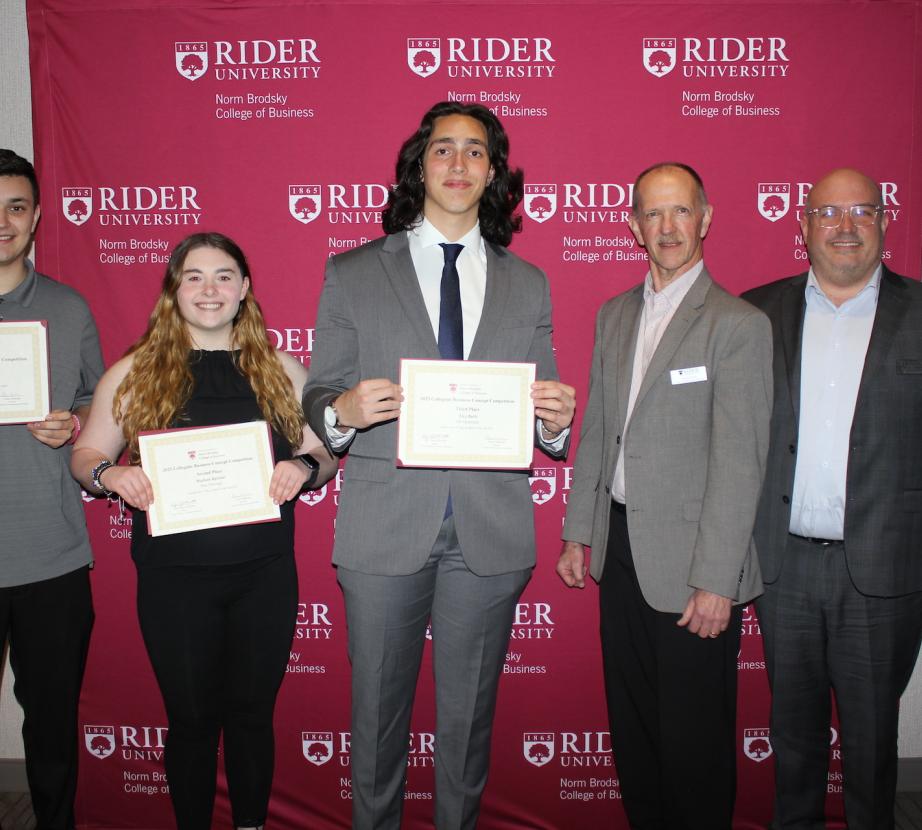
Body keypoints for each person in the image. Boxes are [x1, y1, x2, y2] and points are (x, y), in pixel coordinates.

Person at [302, 101, 575, 829]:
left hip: (489, 532)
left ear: (494, 173)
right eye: (444, 149)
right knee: (377, 725)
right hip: (385, 528)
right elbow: (320, 391)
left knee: (466, 732)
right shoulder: (355, 271)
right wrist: (342, 413)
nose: (459, 164)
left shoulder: (529, 283)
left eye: (476, 152)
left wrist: (557, 422)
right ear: (419, 165)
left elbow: (543, 407)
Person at [71, 232, 336, 830]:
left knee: (250, 716)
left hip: (263, 577)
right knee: (189, 719)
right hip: (174, 582)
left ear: (244, 290)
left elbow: (326, 454)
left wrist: (302, 465)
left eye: (223, 276)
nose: (209, 289)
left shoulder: (280, 368)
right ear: (174, 289)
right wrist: (112, 473)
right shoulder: (135, 372)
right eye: (194, 276)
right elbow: (84, 456)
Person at [557, 162, 772, 830]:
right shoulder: (615, 314)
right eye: (654, 214)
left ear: (705, 219)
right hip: (620, 551)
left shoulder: (737, 324)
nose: (668, 227)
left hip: (693, 567)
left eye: (681, 212)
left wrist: (717, 581)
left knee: (695, 745)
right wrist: (578, 530)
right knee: (636, 733)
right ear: (633, 227)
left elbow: (742, 463)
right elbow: (597, 429)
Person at [742, 168, 922, 830]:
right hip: (784, 567)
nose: (844, 227)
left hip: (884, 572)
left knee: (873, 747)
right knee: (793, 740)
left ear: (883, 220)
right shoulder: (756, 312)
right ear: (803, 225)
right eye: (827, 213)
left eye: (861, 212)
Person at [0, 149, 103, 830]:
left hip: (49, 554)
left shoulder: (68, 309)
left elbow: (103, 405)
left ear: (36, 217)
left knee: (53, 726)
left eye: (15, 206)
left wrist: (73, 425)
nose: (2, 221)